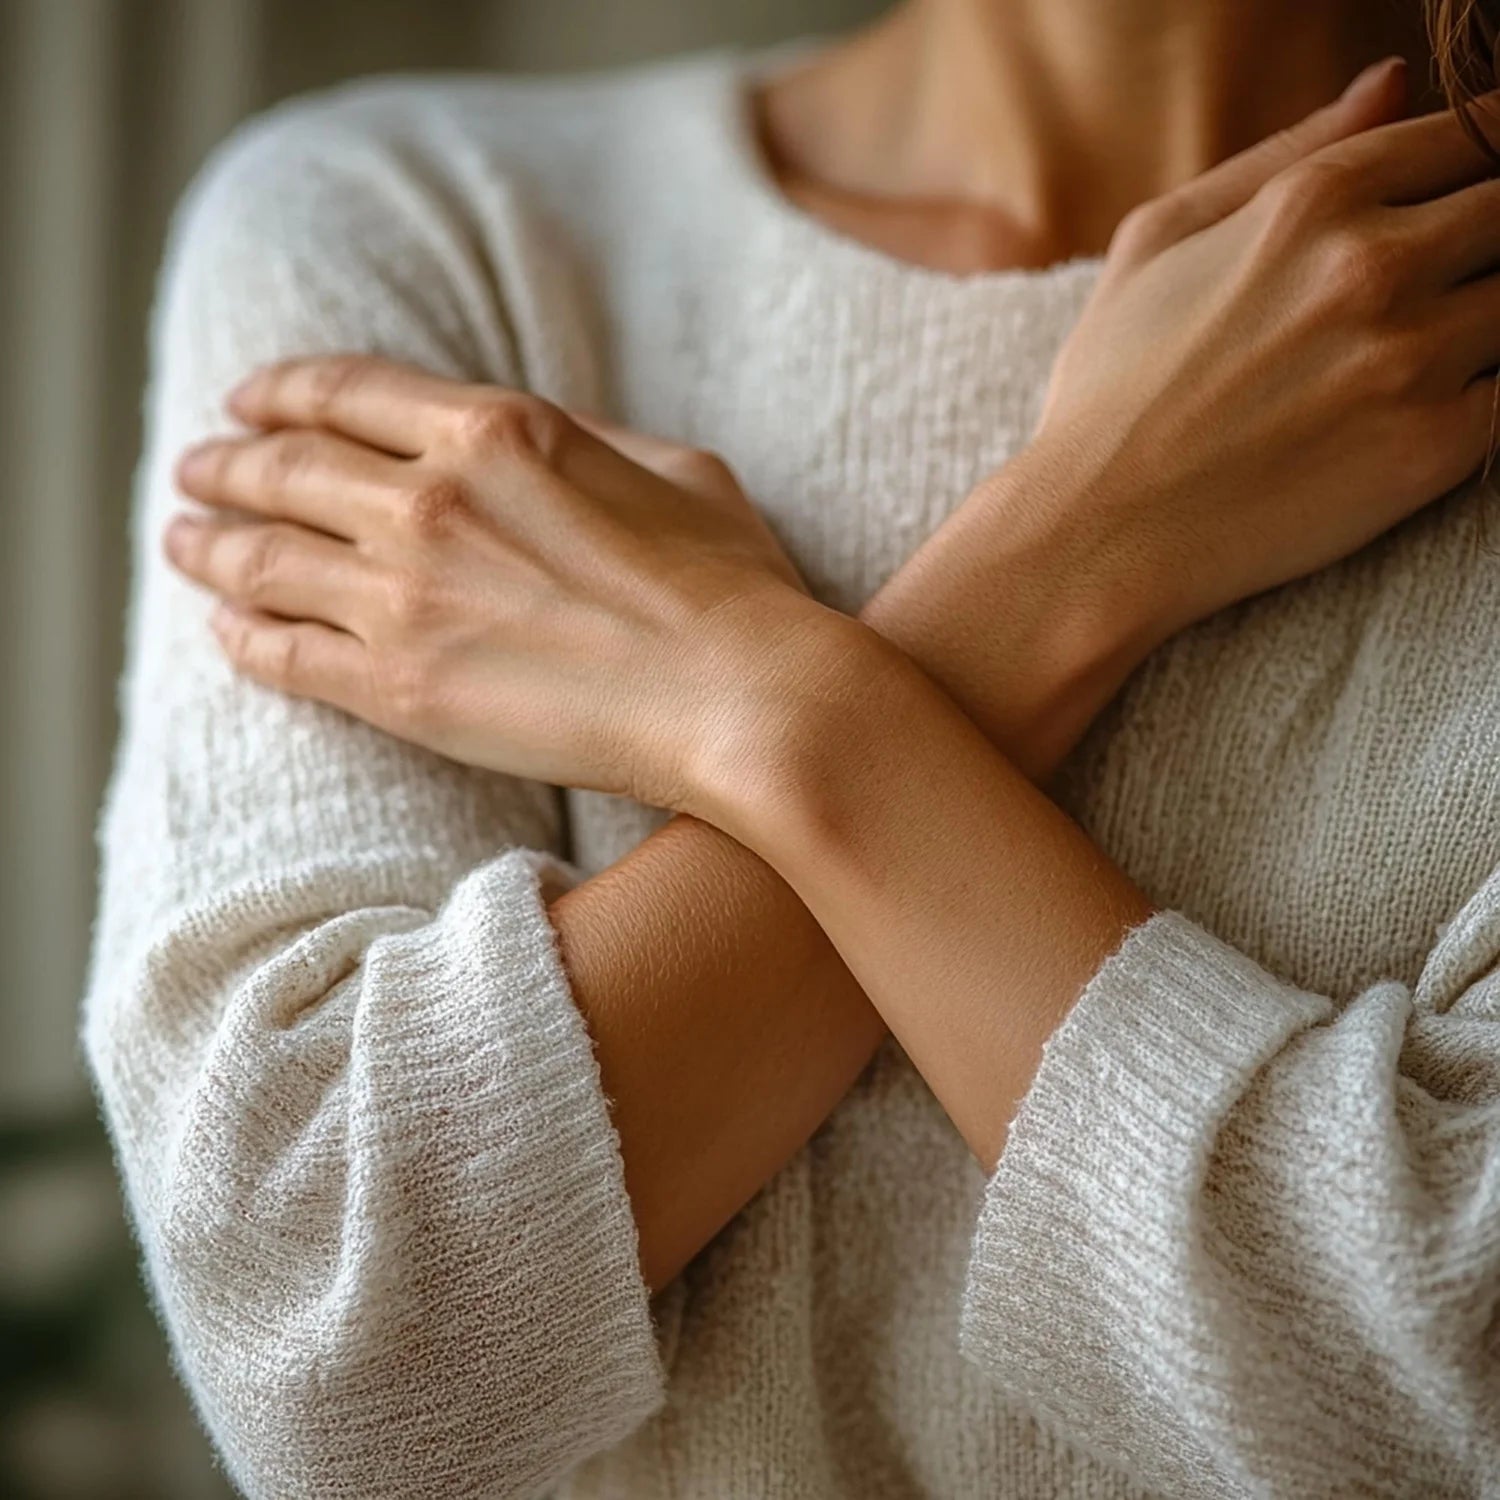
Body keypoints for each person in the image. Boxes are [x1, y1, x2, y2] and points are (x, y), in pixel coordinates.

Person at [84, 0, 1500, 1494]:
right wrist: (1077, 537)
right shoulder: (422, 225)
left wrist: (754, 698)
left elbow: (1448, 1372)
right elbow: (333, 1344)